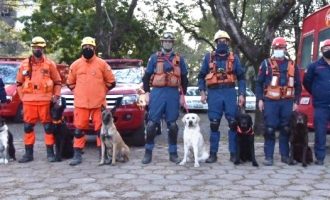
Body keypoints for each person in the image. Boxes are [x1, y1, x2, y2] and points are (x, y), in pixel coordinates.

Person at [197, 30, 246, 163]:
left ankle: (233, 153)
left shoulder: (234, 58)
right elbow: (201, 76)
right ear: (216, 43)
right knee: (214, 124)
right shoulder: (209, 57)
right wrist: (202, 92)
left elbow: (241, 77)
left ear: (228, 42)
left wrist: (242, 94)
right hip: (214, 93)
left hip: (229, 92)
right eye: (219, 41)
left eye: (224, 41)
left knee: (233, 123)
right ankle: (213, 154)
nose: (222, 43)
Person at [66, 36, 116, 166]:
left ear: (94, 48)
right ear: (82, 48)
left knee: (101, 130)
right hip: (81, 104)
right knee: (78, 130)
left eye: (90, 47)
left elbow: (111, 82)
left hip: (99, 105)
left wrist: (101, 91)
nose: (87, 49)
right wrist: (78, 92)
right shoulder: (75, 65)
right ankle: (77, 155)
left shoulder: (102, 64)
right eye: (85, 47)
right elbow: (70, 83)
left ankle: (103, 155)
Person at [141, 31, 189, 164]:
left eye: (170, 41)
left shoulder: (179, 59)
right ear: (162, 42)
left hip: (173, 93)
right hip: (157, 93)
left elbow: (184, 79)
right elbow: (146, 77)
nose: (167, 43)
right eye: (165, 41)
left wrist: (182, 96)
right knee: (151, 124)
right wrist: (146, 93)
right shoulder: (154, 58)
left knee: (172, 125)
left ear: (172, 43)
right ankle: (148, 152)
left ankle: (173, 153)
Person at [256, 37, 302, 166]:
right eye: (276, 48)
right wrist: (260, 99)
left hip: (287, 102)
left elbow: (298, 85)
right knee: (269, 129)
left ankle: (285, 155)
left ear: (285, 49)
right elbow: (259, 83)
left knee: (286, 128)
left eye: (281, 48)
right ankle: (269, 156)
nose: (278, 50)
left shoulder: (292, 65)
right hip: (270, 101)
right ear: (273, 49)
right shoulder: (266, 64)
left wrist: (296, 101)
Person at [16, 36, 62, 163]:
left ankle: (50, 154)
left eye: (40, 47)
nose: (37, 49)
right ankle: (28, 154)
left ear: (43, 48)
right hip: (29, 102)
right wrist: (22, 98)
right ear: (32, 48)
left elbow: (58, 82)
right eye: (35, 47)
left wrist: (56, 96)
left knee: (48, 128)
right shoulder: (24, 64)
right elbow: (19, 84)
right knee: (27, 128)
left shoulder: (50, 64)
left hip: (45, 102)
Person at [303, 39, 330, 166]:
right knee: (320, 132)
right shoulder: (314, 66)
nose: (328, 51)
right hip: (321, 105)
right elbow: (307, 82)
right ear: (322, 51)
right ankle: (320, 157)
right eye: (326, 49)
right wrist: (316, 92)